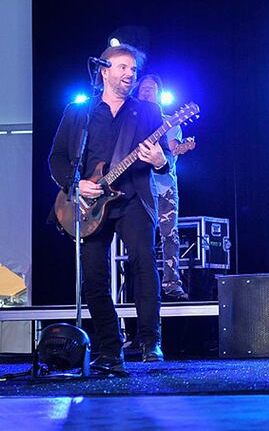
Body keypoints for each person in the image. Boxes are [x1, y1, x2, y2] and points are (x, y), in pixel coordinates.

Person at [49, 44, 171, 371]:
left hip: (133, 198)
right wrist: (74, 185)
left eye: (133, 69)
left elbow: (164, 161)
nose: (130, 74)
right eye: (123, 68)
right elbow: (57, 158)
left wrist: (160, 160)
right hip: (89, 204)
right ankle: (109, 347)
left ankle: (149, 341)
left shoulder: (147, 112)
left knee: (144, 265)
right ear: (104, 70)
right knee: (94, 277)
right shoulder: (79, 113)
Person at [135, 74, 189, 301]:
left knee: (170, 235)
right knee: (140, 238)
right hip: (138, 186)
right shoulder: (131, 121)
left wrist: (178, 150)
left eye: (151, 89)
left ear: (159, 95)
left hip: (165, 187)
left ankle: (171, 283)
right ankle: (143, 285)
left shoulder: (170, 122)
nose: (146, 91)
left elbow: (173, 151)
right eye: (143, 88)